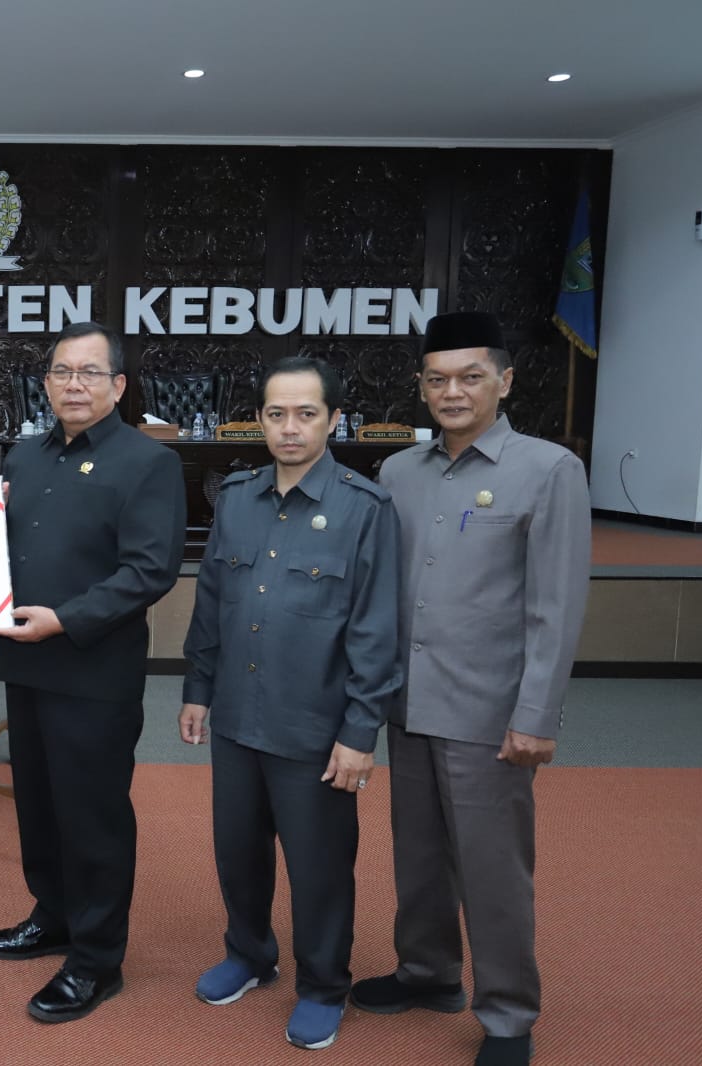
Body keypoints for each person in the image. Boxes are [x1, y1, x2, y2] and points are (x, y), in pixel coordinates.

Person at [349, 311, 591, 1066]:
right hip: (409, 703)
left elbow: (556, 607)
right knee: (418, 856)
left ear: (504, 382)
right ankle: (428, 973)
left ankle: (509, 1016)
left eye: (471, 377)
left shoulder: (548, 470)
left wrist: (536, 715)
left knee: (492, 871)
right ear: (421, 387)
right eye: (437, 379)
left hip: (489, 713)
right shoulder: (398, 472)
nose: (452, 392)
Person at [178, 356, 401, 1051]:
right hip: (238, 716)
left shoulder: (365, 509)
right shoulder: (236, 497)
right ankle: (249, 954)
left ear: (334, 420)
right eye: (276, 414)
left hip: (315, 727)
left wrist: (360, 731)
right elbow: (212, 601)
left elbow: (376, 631)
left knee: (319, 867)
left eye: (307, 414)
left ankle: (324, 984)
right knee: (238, 852)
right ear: (260, 420)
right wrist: (197, 688)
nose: (290, 428)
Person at [0, 321, 186, 1024]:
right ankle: (54, 916)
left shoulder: (148, 462)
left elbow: (150, 570)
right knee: (38, 805)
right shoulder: (24, 456)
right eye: (62, 372)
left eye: (90, 372)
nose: (74, 384)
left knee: (92, 816)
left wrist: (66, 619)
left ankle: (97, 960)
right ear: (45, 384)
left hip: (94, 669)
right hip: (25, 662)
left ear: (118, 386)